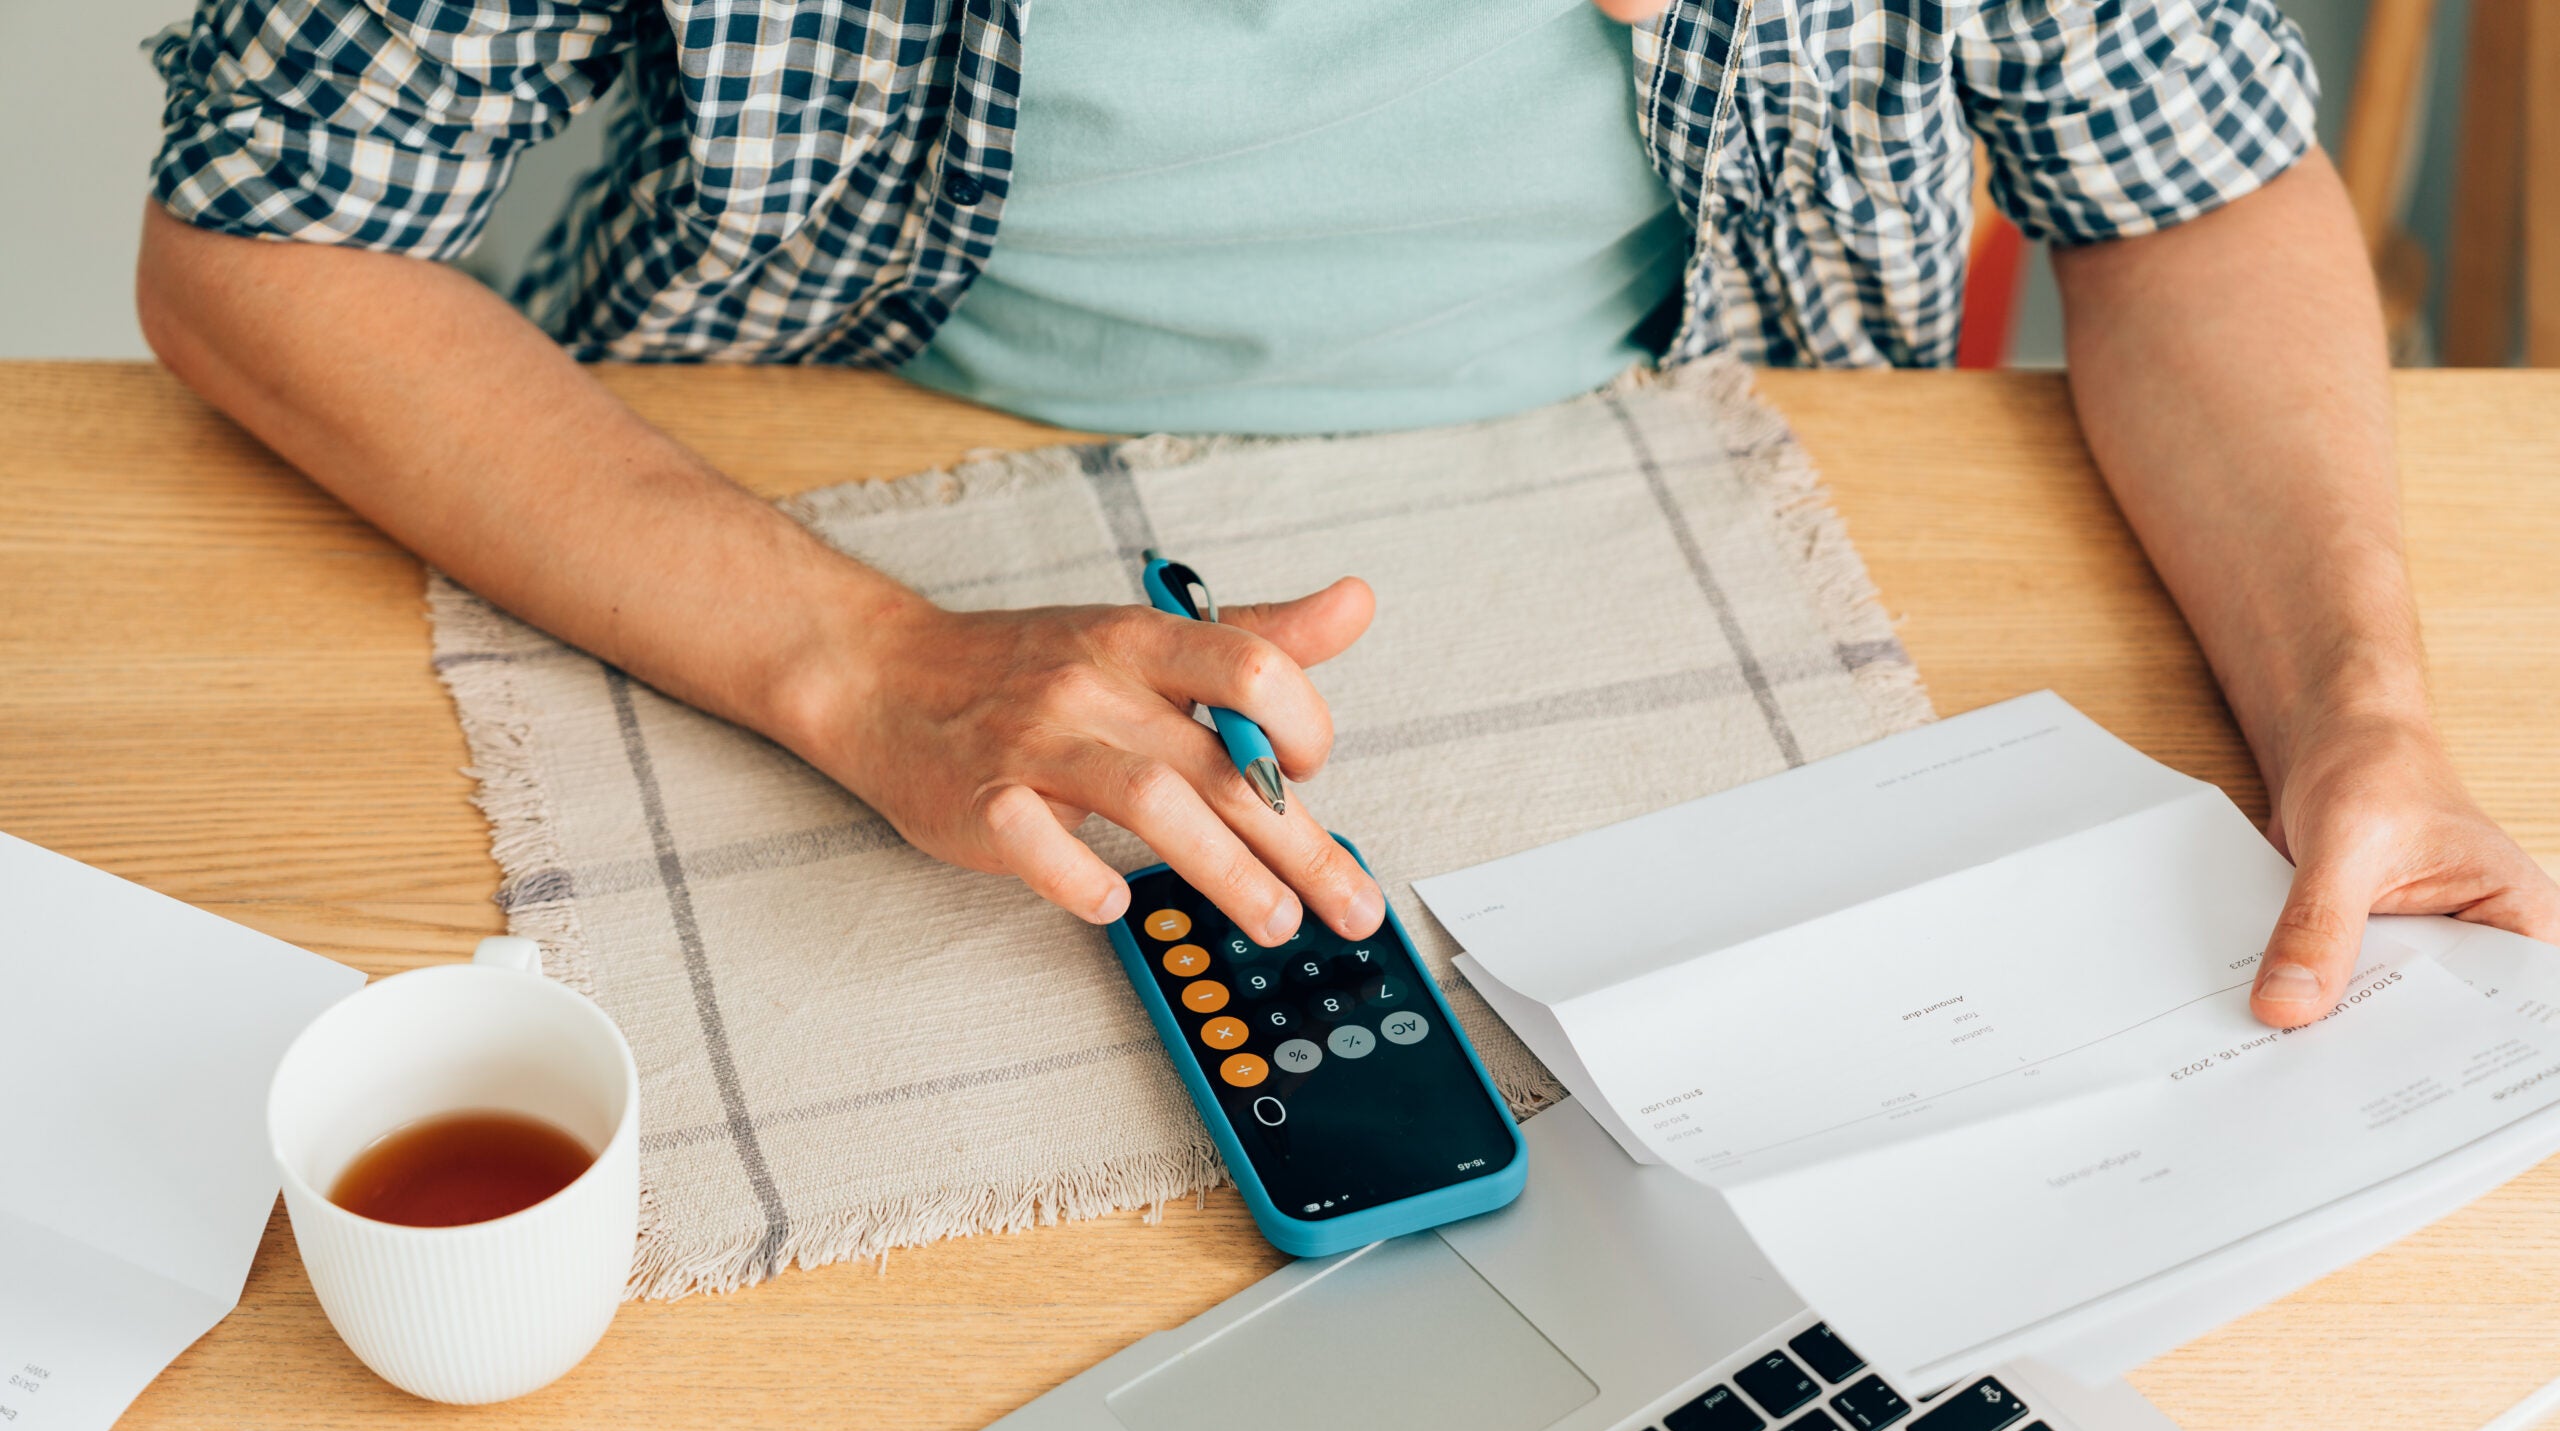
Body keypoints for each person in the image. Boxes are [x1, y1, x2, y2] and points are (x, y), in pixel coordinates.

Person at [137, 0, 2559, 1030]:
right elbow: (257, 234)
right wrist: (871, 661)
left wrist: (2352, 707)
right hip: (794, 523)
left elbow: (2188, 190)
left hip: (1697, 506)